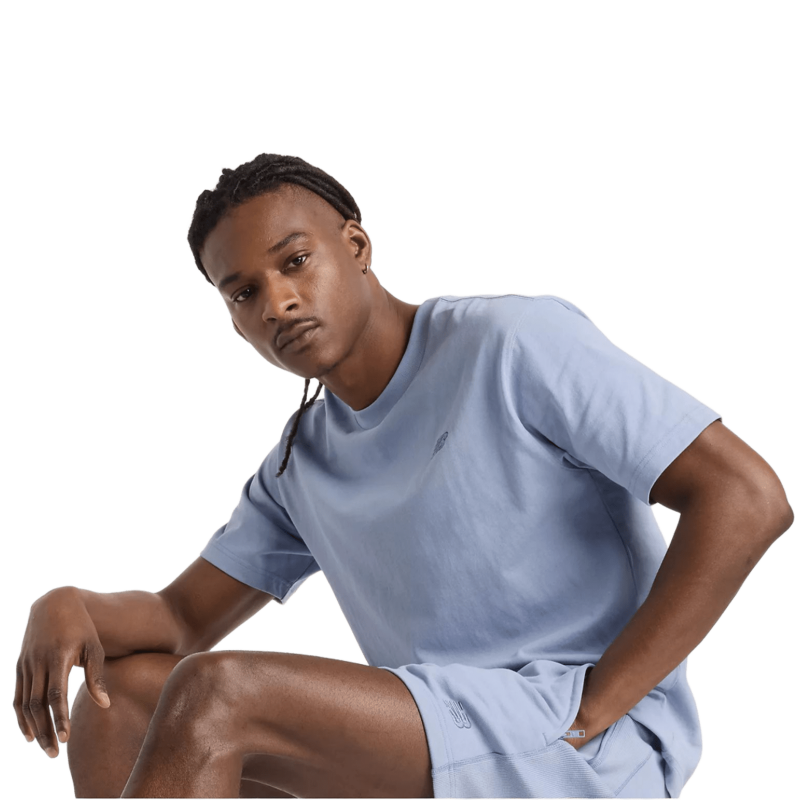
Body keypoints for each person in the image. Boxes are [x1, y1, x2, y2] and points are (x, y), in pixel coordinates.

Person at [14, 153, 794, 799]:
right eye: (243, 292)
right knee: (122, 698)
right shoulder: (302, 461)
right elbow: (180, 617)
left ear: (355, 245)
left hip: (586, 741)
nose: (277, 303)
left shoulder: (511, 344)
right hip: (444, 739)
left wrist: (601, 702)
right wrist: (64, 605)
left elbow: (747, 497)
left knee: (218, 694)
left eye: (295, 261)